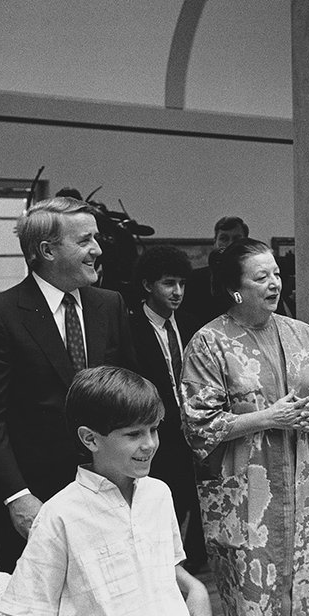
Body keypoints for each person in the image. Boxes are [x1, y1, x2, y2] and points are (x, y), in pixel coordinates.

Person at [0, 195, 138, 616]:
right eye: (85, 240)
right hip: (34, 498)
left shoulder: (110, 305)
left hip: (107, 491)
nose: (98, 248)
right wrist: (17, 497)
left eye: (96, 238)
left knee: (107, 608)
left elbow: (131, 397)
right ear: (46, 251)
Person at [179, 238, 309, 616]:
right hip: (246, 492)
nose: (274, 283)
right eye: (261, 276)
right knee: (253, 596)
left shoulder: (300, 332)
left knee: (297, 587)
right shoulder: (209, 342)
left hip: (298, 484)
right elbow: (197, 425)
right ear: (236, 288)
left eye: (276, 274)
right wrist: (267, 418)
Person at [0, 366, 213, 616]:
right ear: (90, 439)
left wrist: (195, 587)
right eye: (134, 434)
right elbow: (32, 611)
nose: (149, 443)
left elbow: (162, 565)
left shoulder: (159, 494)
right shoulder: (59, 514)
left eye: (154, 429)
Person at [129, 245, 208, 573]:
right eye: (168, 284)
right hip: (156, 432)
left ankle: (193, 566)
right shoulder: (128, 327)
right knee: (163, 506)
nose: (177, 292)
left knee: (199, 500)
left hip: (194, 428)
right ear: (148, 285)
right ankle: (161, 570)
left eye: (182, 284)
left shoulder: (191, 324)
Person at [178, 216, 248, 325]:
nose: (230, 244)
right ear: (215, 242)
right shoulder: (193, 279)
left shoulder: (257, 279)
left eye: (236, 239)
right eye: (224, 239)